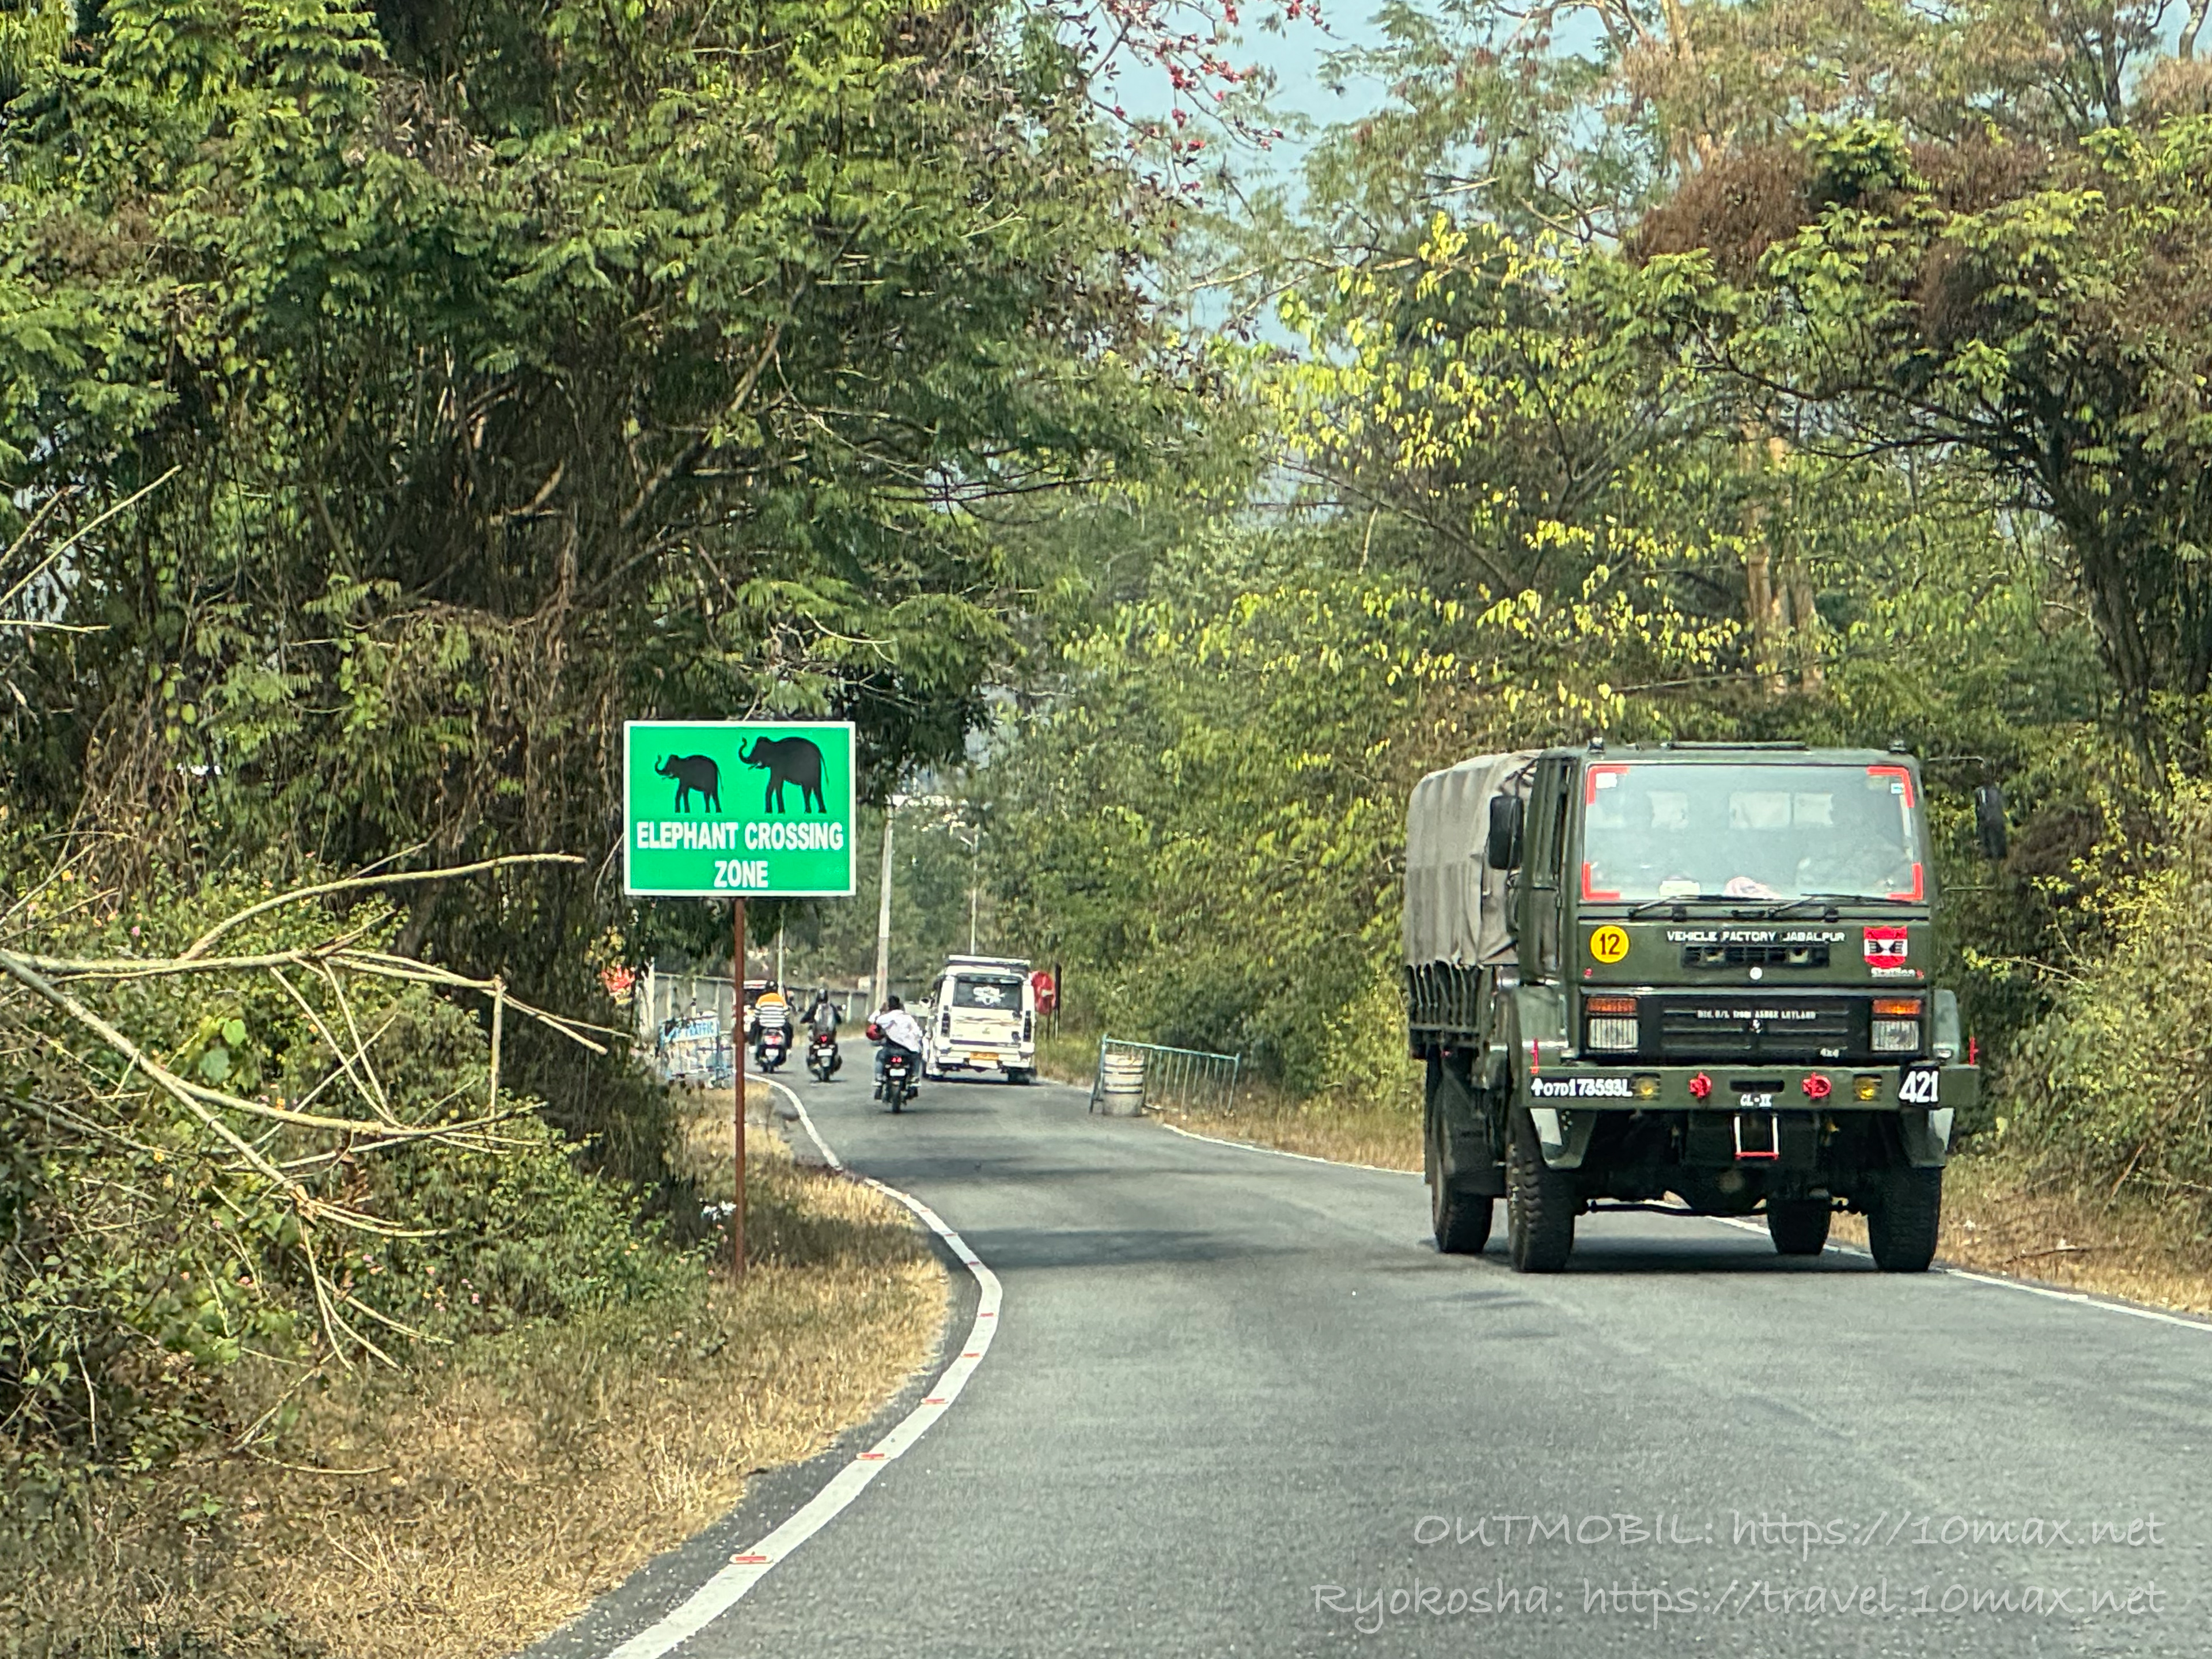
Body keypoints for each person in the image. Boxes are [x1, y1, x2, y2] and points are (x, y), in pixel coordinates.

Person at [872, 995, 925, 1096]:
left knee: (880, 1057)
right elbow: (918, 1032)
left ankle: (879, 1079)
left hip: (890, 1050)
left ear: (889, 1007)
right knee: (917, 1057)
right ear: (900, 1006)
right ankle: (914, 1077)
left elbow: (876, 1022)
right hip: (907, 1051)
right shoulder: (908, 1018)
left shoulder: (886, 1017)